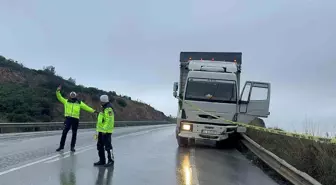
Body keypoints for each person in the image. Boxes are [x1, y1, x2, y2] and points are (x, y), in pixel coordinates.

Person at [55, 85, 97, 152]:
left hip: (75, 119)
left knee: (74, 134)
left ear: (75, 96)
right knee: (64, 133)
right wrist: (58, 91)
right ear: (70, 95)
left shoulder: (79, 103)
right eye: (71, 94)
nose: (72, 95)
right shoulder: (66, 101)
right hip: (68, 119)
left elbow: (86, 107)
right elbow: (59, 97)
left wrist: (93, 111)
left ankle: (72, 147)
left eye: (73, 95)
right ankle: (61, 146)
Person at [94, 94, 115, 167]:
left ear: (103, 101)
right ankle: (102, 160)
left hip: (106, 131)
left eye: (101, 101)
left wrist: (104, 130)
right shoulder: (103, 107)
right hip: (101, 130)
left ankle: (111, 160)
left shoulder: (108, 108)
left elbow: (109, 120)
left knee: (108, 146)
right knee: (100, 146)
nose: (100, 102)